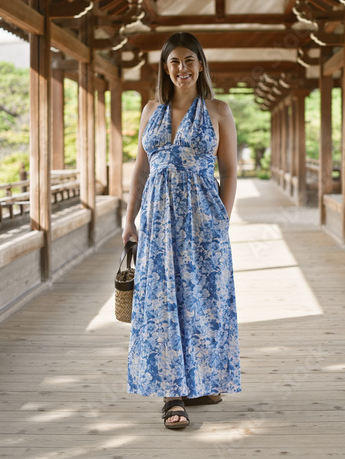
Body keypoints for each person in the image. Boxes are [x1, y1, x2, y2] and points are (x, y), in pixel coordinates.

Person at [121, 32, 241, 430]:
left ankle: (199, 382)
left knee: (202, 300)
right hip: (156, 220)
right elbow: (140, 169)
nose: (182, 68)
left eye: (190, 60)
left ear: (201, 64)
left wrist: (222, 220)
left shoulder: (218, 110)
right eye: (174, 61)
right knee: (160, 302)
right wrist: (129, 218)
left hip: (204, 218)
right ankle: (173, 394)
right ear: (165, 67)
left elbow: (229, 171)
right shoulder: (151, 109)